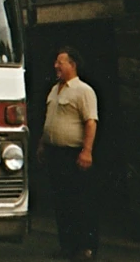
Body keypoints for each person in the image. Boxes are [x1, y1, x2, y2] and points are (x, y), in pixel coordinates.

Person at [36, 46, 99, 261]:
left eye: (60, 62)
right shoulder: (54, 90)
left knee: (80, 201)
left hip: (74, 154)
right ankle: (67, 246)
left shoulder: (83, 91)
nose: (56, 66)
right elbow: (50, 121)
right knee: (61, 202)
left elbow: (90, 122)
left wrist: (87, 151)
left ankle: (86, 247)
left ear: (72, 65)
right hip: (55, 154)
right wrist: (42, 144)